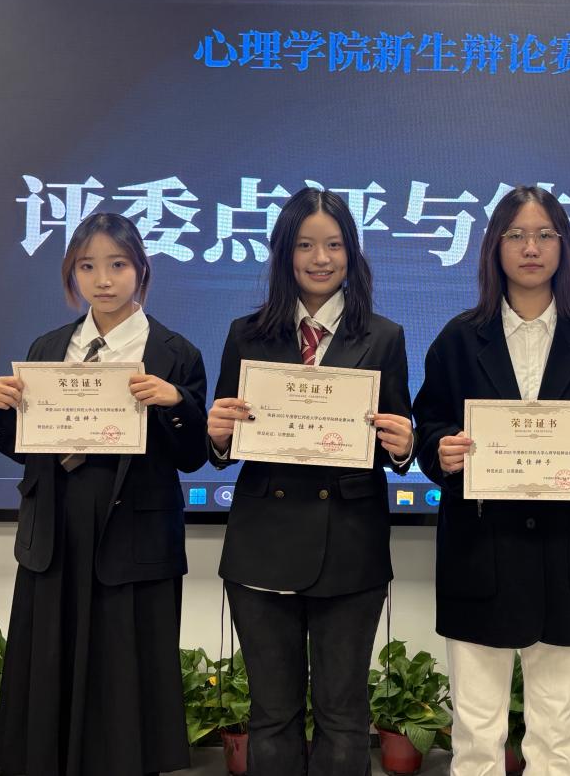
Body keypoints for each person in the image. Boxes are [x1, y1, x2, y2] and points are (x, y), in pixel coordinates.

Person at [0, 211, 207, 776]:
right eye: (87, 266)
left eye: (117, 265)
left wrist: (175, 403)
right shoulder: (49, 347)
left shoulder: (175, 351)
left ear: (141, 270)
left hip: (135, 532)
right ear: (72, 274)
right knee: (50, 661)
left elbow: (194, 455)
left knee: (127, 671)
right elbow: (32, 447)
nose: (103, 279)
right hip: (56, 527)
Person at [412, 184, 570, 776]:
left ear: (563, 247)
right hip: (479, 553)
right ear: (494, 246)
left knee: (560, 738)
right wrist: (442, 450)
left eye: (544, 235)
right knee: (476, 735)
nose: (530, 248)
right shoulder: (460, 337)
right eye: (515, 235)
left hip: (569, 555)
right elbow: (429, 423)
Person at [206, 186, 413, 776]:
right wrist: (216, 435)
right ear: (284, 253)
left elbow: (397, 440)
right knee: (271, 717)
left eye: (334, 245)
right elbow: (223, 445)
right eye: (304, 245)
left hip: (350, 544)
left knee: (344, 717)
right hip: (262, 546)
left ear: (352, 252)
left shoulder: (384, 336)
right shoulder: (247, 333)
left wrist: (404, 445)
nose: (320, 258)